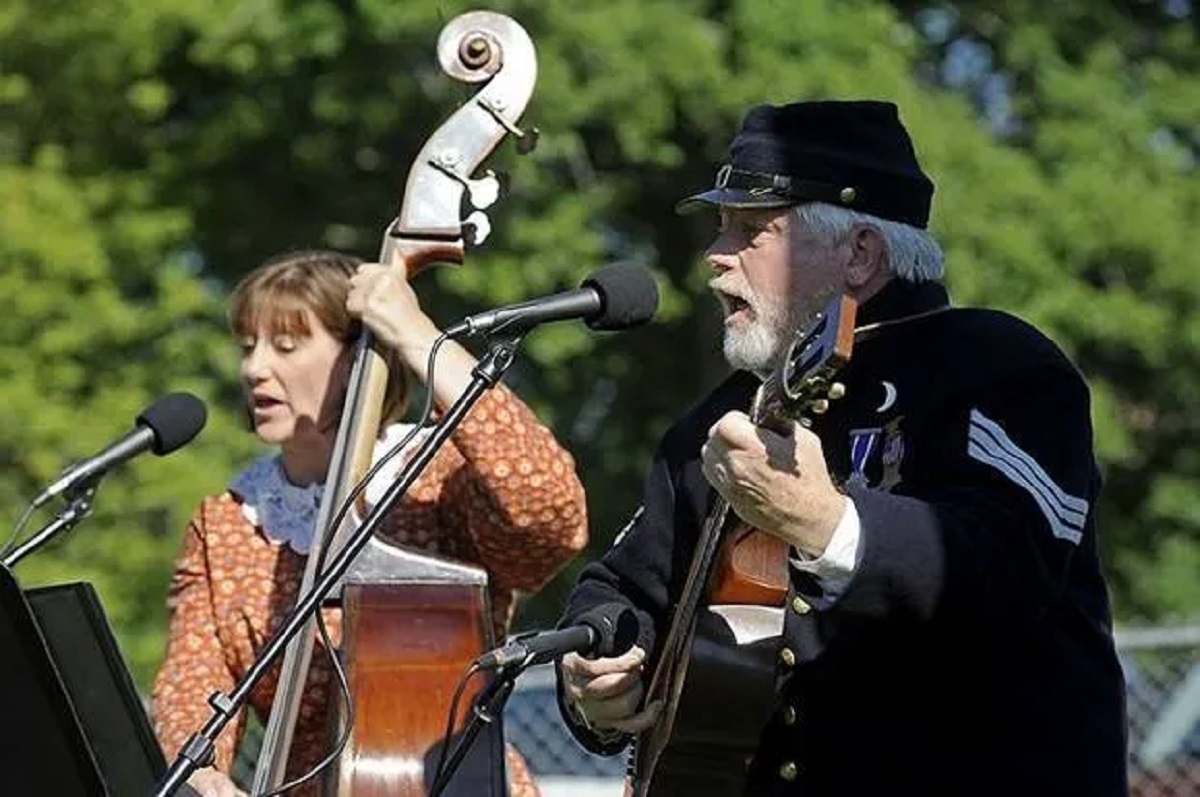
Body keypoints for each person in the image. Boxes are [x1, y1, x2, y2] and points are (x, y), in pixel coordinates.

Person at [556, 101, 1129, 795]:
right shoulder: (722, 415)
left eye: (751, 230)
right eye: (721, 227)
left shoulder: (997, 365)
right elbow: (622, 587)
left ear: (858, 252)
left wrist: (826, 524)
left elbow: (1009, 568)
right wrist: (599, 667)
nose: (715, 256)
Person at [151, 249, 589, 796]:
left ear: (358, 357)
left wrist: (416, 336)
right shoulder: (227, 523)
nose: (254, 367)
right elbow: (192, 678)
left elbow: (552, 516)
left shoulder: (436, 476)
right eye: (248, 347)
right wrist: (201, 772)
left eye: (285, 346)